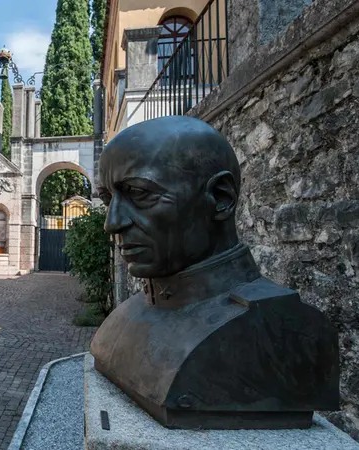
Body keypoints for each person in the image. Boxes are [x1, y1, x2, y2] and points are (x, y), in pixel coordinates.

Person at [90, 116, 339, 429]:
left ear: (220, 198)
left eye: (139, 194)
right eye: (109, 199)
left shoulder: (284, 330)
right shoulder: (128, 314)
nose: (112, 223)